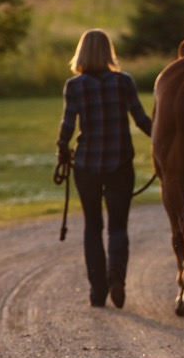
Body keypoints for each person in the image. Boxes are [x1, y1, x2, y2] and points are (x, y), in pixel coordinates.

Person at [57, 29, 152, 308]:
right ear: (108, 51)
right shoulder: (124, 82)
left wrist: (62, 148)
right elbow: (141, 119)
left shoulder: (74, 86)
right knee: (118, 226)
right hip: (120, 163)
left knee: (92, 226)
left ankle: (98, 291)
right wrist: (162, 140)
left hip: (86, 164)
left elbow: (67, 125)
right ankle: (116, 277)